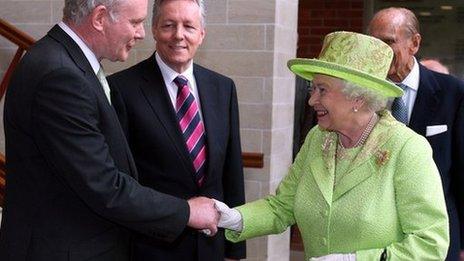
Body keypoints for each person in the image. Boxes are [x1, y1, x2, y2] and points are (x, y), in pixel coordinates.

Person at [0, 0, 220, 260]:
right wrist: (187, 211)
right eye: (135, 22)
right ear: (100, 18)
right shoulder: (60, 75)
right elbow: (104, 186)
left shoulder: (67, 62)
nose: (141, 33)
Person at [214, 31, 450, 260]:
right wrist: (234, 218)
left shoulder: (406, 148)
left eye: (322, 90)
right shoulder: (318, 138)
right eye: (312, 88)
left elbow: (430, 242)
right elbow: (282, 206)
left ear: (357, 97)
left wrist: (355, 259)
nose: (311, 100)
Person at [108, 0, 246, 260]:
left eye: (189, 26)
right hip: (151, 249)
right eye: (169, 25)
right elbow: (120, 182)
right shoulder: (122, 90)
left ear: (202, 34)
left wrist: (234, 250)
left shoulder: (223, 88)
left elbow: (232, 173)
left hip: (210, 247)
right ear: (154, 30)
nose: (179, 35)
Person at [368, 7, 464, 260]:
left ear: (414, 43)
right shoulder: (360, 94)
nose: (380, 50)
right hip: (376, 236)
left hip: (436, 236)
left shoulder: (452, 92)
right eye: (374, 42)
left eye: (388, 41)